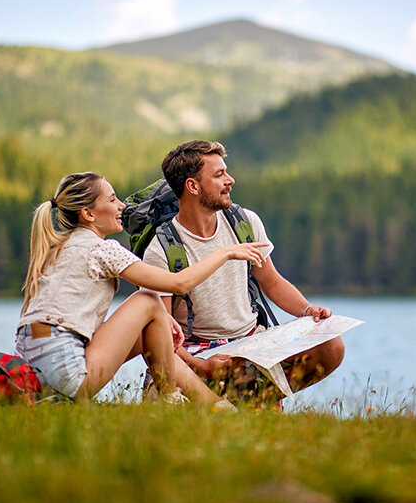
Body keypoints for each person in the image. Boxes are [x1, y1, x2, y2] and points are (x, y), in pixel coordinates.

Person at [16, 171, 267, 405]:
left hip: (38, 375)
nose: (122, 206)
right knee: (147, 299)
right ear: (88, 214)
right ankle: (182, 399)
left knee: (151, 320)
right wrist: (226, 252)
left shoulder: (59, 247)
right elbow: (179, 283)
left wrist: (159, 322)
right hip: (70, 375)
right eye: (113, 200)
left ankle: (207, 403)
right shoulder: (102, 249)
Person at [142, 141, 345, 403]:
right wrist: (200, 366)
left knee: (331, 346)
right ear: (192, 186)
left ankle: (253, 399)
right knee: (163, 403)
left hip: (252, 343)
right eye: (219, 175)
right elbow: (159, 333)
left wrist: (308, 311)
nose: (230, 180)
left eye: (226, 172)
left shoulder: (245, 222)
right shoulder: (162, 248)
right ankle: (235, 399)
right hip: (196, 352)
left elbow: (271, 282)